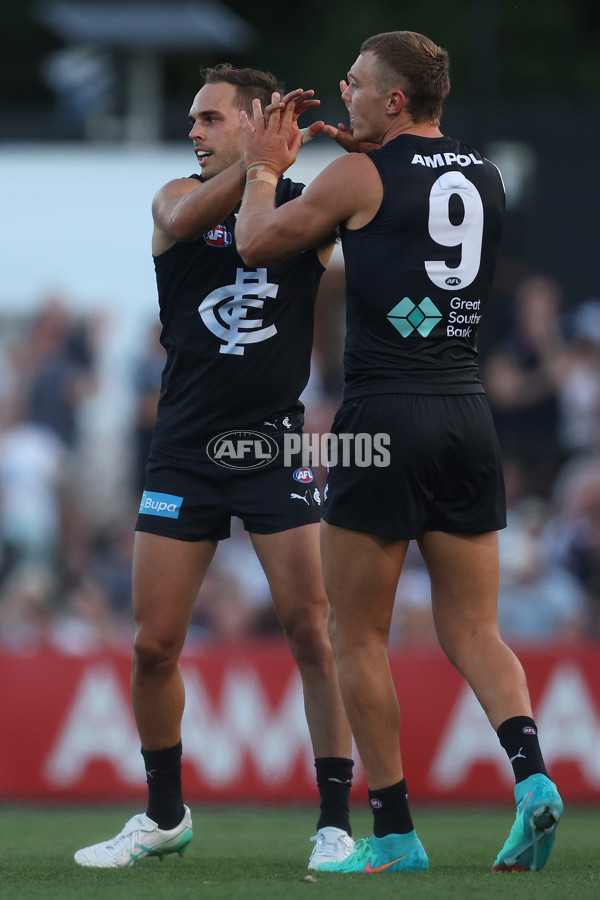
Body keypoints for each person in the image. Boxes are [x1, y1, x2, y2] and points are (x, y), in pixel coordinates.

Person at [235, 31, 563, 874]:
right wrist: (367, 162)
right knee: (474, 627)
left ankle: (394, 835)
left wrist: (268, 168)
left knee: (357, 635)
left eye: (357, 80)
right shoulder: (484, 175)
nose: (341, 87)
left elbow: (256, 244)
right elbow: (414, 216)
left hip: (382, 417)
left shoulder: (357, 176)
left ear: (393, 99)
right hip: (467, 413)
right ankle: (531, 779)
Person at [74, 64, 355, 870]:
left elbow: (363, 218)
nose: (192, 131)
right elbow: (196, 213)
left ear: (250, 120)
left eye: (208, 118)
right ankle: (165, 816)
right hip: (186, 451)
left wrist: (288, 165)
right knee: (153, 647)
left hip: (272, 446)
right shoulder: (174, 198)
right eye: (193, 120)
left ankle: (335, 820)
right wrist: (258, 162)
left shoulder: (306, 211)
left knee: (314, 632)